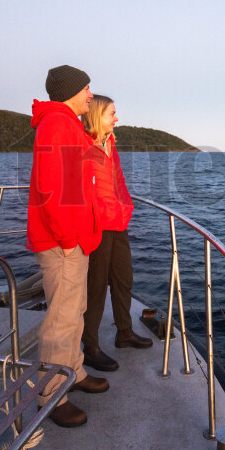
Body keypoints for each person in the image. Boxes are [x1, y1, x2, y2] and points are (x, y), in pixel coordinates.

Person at [26, 64, 109, 429]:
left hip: (75, 238)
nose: (91, 95)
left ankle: (73, 370)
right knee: (61, 319)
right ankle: (51, 395)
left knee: (75, 310)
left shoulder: (67, 124)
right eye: (87, 89)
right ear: (72, 91)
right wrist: (68, 238)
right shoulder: (57, 124)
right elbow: (50, 189)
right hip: (64, 241)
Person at [80, 94, 152, 374]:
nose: (117, 118)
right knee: (95, 289)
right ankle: (91, 347)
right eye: (112, 113)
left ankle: (124, 332)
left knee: (124, 280)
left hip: (118, 223)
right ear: (99, 115)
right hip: (98, 227)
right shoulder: (84, 147)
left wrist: (126, 207)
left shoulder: (109, 145)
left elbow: (118, 182)